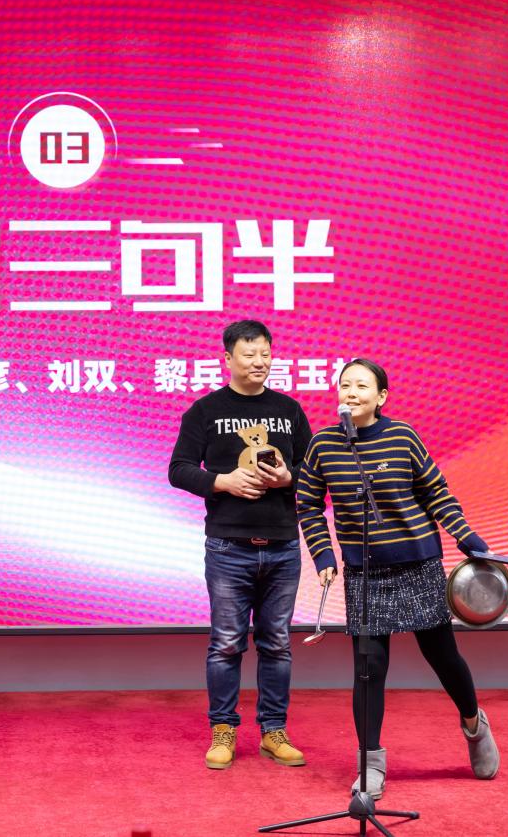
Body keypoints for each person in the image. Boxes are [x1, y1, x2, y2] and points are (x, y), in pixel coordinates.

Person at [295, 358, 500, 799]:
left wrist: (467, 538)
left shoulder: (402, 436)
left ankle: (473, 724)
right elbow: (308, 504)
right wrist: (323, 553)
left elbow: (436, 492)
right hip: (365, 572)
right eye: (344, 385)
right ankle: (370, 764)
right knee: (369, 669)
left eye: (361, 386)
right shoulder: (323, 444)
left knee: (443, 656)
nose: (350, 393)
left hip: (417, 563)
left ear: (381, 396)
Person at [169, 320, 314, 770]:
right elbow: (178, 469)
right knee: (226, 643)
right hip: (228, 547)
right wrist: (223, 481)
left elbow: (316, 473)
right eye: (249, 354)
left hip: (283, 546)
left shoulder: (289, 410)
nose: (259, 362)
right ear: (228, 358)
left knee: (278, 644)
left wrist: (289, 478)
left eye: (265, 354)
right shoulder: (206, 410)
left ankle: (273, 731)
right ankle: (223, 730)